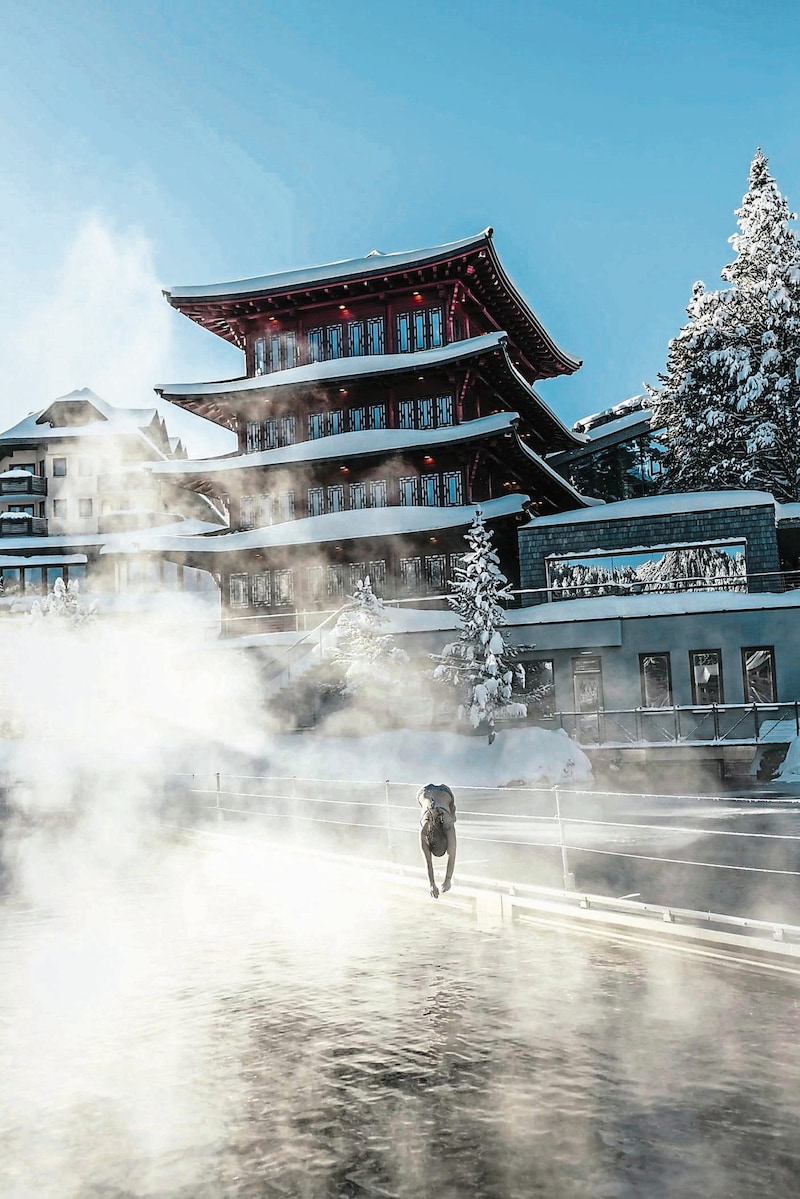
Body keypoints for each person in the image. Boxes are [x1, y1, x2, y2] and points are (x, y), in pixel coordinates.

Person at [417, 783, 457, 899]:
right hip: (423, 793)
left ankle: (449, 810)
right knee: (448, 813)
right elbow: (451, 855)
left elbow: (429, 863)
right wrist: (445, 880)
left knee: (452, 814)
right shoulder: (425, 829)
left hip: (445, 792)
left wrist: (433, 884)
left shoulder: (447, 825)